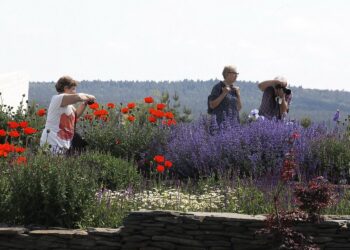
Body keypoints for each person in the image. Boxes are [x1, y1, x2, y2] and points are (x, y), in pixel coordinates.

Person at [40, 76, 96, 153]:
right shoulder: (58, 98)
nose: (75, 91)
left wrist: (85, 103)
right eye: (73, 89)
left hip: (63, 144)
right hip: (52, 143)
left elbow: (76, 115)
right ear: (66, 88)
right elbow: (78, 97)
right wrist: (89, 97)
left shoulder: (68, 105)